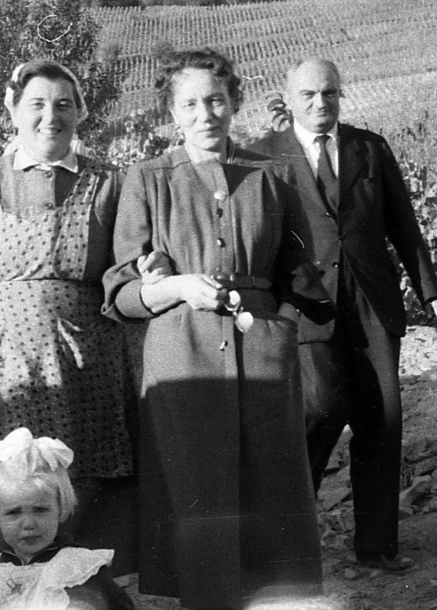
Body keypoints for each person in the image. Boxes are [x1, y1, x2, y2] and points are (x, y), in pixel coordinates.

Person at [105, 48, 332, 610]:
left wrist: (280, 329)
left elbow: (299, 276)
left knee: (269, 488)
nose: (205, 113)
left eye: (216, 99)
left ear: (234, 103)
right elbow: (121, 292)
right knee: (195, 491)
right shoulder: (147, 179)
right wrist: (173, 285)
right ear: (172, 113)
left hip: (261, 353)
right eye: (190, 104)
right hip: (182, 353)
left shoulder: (274, 175)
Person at [0, 61, 135, 567]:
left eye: (63, 104)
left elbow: (130, 270)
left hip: (85, 372)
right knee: (1, 512)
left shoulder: (110, 184)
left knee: (78, 516)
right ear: (12, 111)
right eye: (36, 104)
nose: (50, 117)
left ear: (81, 112)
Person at [248, 58, 437, 573]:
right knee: (320, 408)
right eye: (309, 95)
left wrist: (430, 290)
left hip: (372, 302)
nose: (321, 104)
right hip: (305, 305)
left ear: (341, 95)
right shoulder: (262, 156)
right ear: (287, 99)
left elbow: (403, 221)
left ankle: (376, 545)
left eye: (330, 93)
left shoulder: (369, 148)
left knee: (382, 420)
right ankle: (289, 535)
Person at [0, 427, 134, 610]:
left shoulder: (79, 567)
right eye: (14, 513)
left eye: (40, 510)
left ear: (60, 509)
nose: (29, 524)